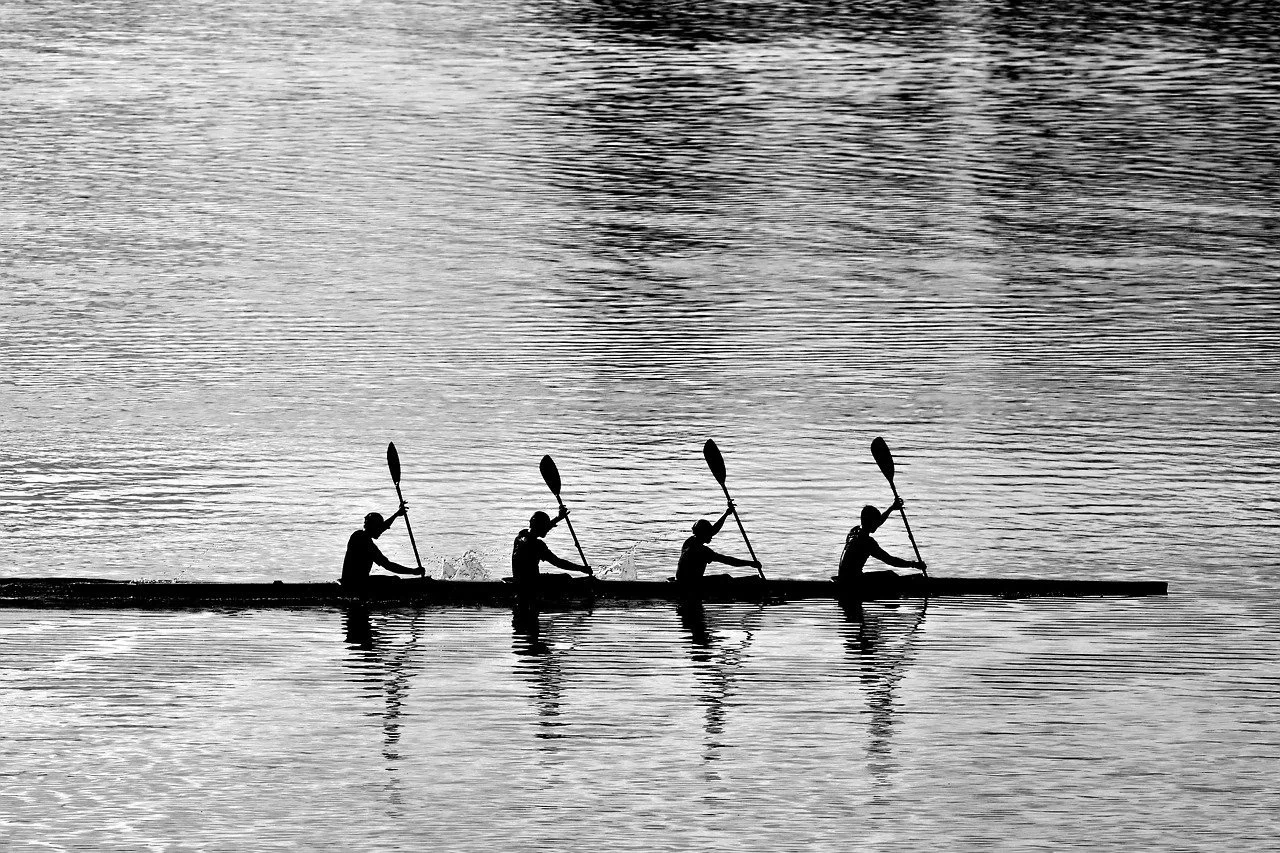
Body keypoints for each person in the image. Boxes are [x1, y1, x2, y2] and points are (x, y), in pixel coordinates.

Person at [837, 498, 926, 583]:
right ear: (871, 522)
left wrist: (891, 508)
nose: (878, 524)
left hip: (843, 578)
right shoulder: (868, 543)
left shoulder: (854, 532)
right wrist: (914, 564)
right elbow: (890, 560)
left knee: (888, 574)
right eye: (876, 522)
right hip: (853, 582)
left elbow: (878, 522)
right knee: (890, 575)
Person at [341, 504, 426, 587]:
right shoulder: (366, 543)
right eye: (379, 528)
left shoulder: (357, 535)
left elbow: (382, 527)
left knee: (394, 579)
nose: (381, 531)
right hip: (356, 584)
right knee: (394, 580)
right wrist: (413, 571)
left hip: (352, 581)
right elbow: (388, 565)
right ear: (373, 527)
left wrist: (396, 515)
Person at [675, 502, 762, 584]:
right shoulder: (702, 551)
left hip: (682, 580)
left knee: (725, 578)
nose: (712, 535)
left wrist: (726, 514)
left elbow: (713, 530)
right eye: (709, 534)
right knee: (726, 578)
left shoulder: (689, 541)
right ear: (703, 534)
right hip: (690, 584)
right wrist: (750, 563)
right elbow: (728, 560)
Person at [511, 509, 592, 586]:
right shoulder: (537, 545)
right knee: (565, 577)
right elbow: (558, 562)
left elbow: (539, 529)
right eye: (545, 526)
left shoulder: (520, 536)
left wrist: (559, 518)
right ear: (540, 527)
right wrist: (582, 568)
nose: (548, 530)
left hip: (518, 579)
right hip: (531, 583)